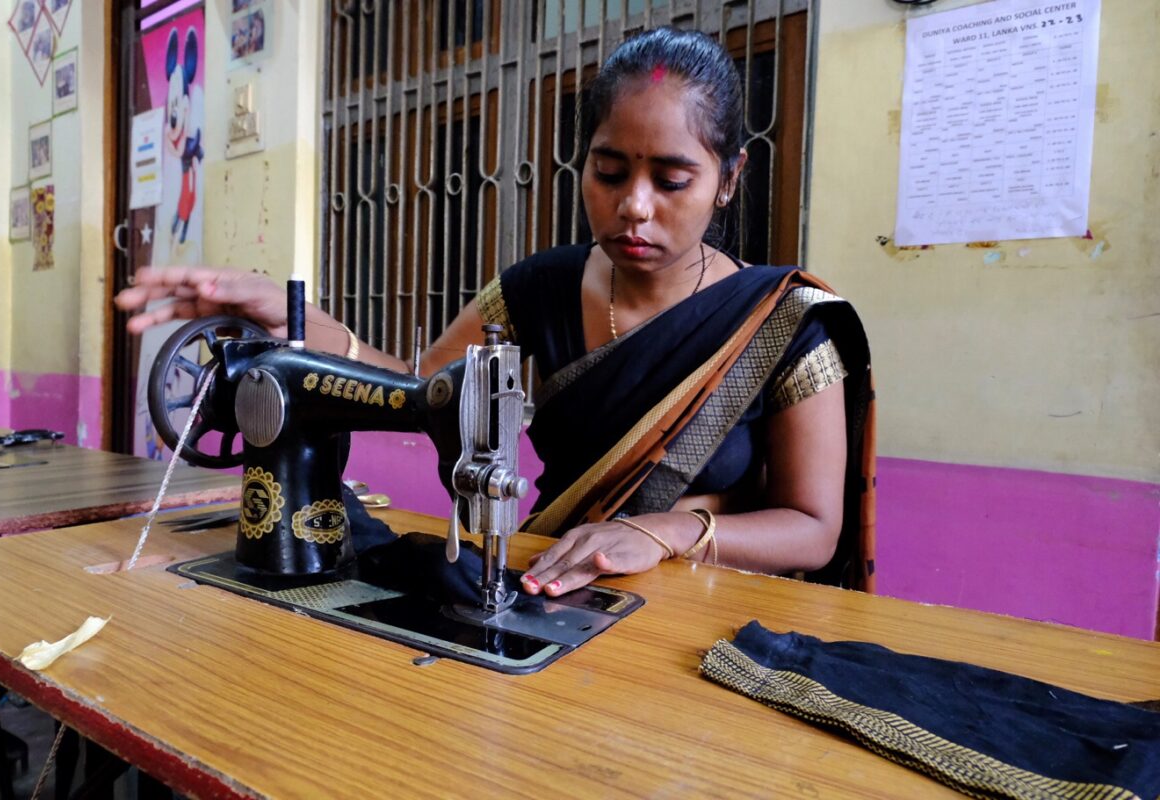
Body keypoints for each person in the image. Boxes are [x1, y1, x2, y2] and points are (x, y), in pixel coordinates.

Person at [115, 27, 875, 599]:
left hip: (701, 615)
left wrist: (665, 533)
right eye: (609, 172)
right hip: (550, 576)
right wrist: (296, 322)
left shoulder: (785, 320)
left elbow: (813, 529)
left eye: (673, 180)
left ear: (730, 179)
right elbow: (418, 386)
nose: (633, 207)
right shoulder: (537, 289)